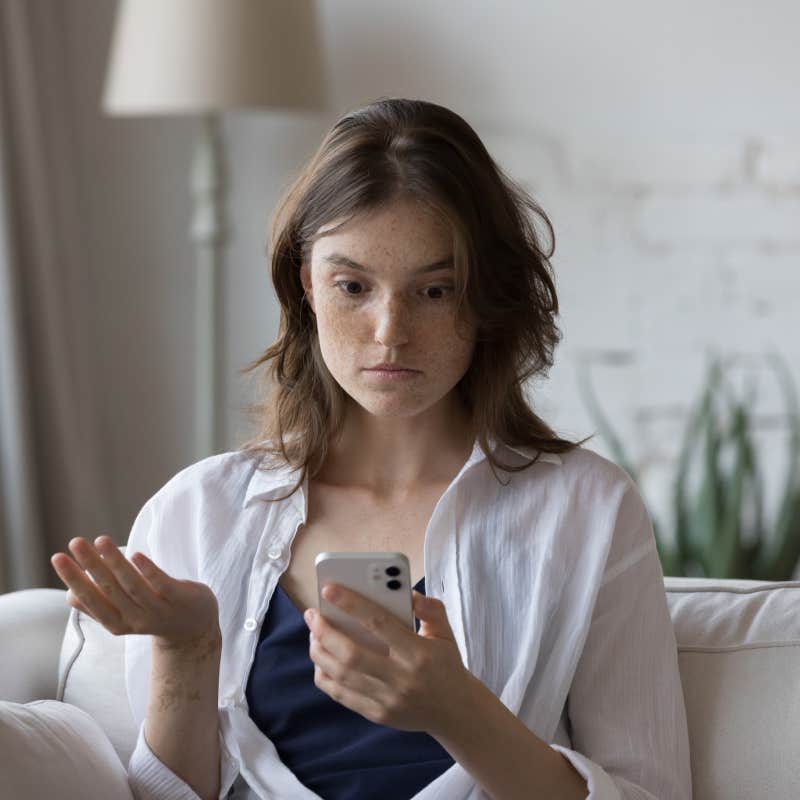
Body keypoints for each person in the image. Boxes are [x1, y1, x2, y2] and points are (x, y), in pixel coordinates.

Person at [50, 97, 692, 800]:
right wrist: (189, 649)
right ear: (307, 285)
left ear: (485, 298)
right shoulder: (199, 511)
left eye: (435, 289)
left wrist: (459, 712)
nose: (391, 331)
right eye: (353, 286)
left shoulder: (587, 511)